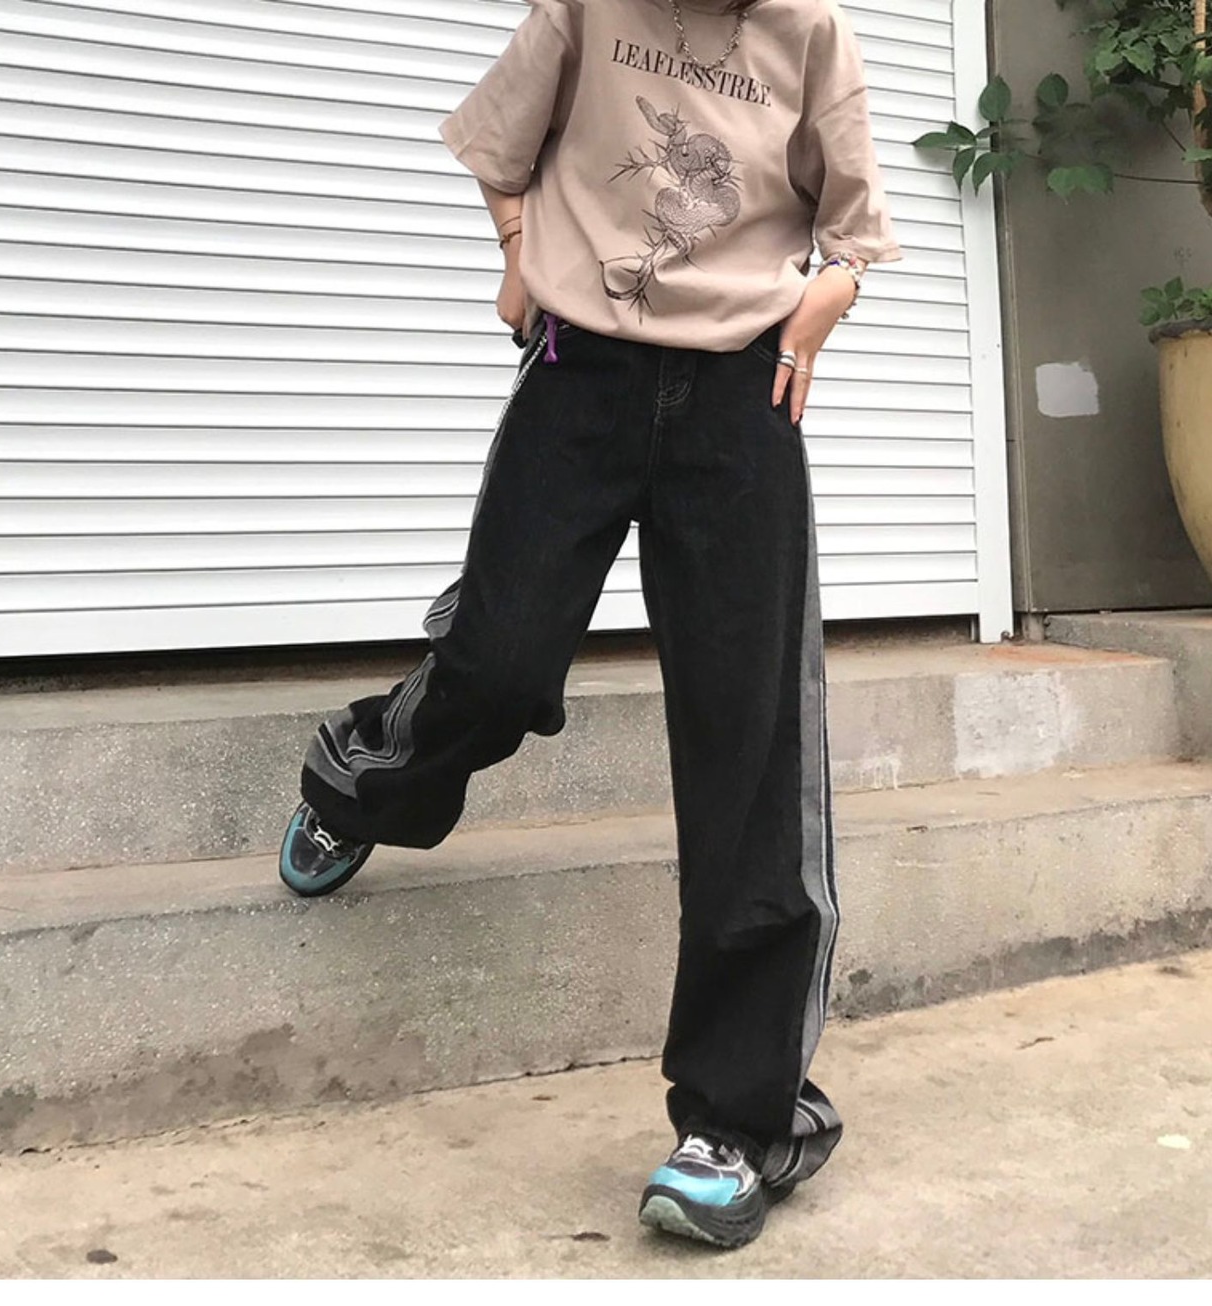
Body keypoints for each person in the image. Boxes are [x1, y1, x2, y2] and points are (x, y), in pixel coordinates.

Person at [279, 0, 900, 1249]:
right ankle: (364, 777)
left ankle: (739, 1120)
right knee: (499, 660)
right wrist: (518, 248)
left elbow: (852, 226)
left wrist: (821, 302)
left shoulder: (809, 30)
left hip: (739, 396)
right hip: (578, 374)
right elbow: (500, 144)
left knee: (748, 743)